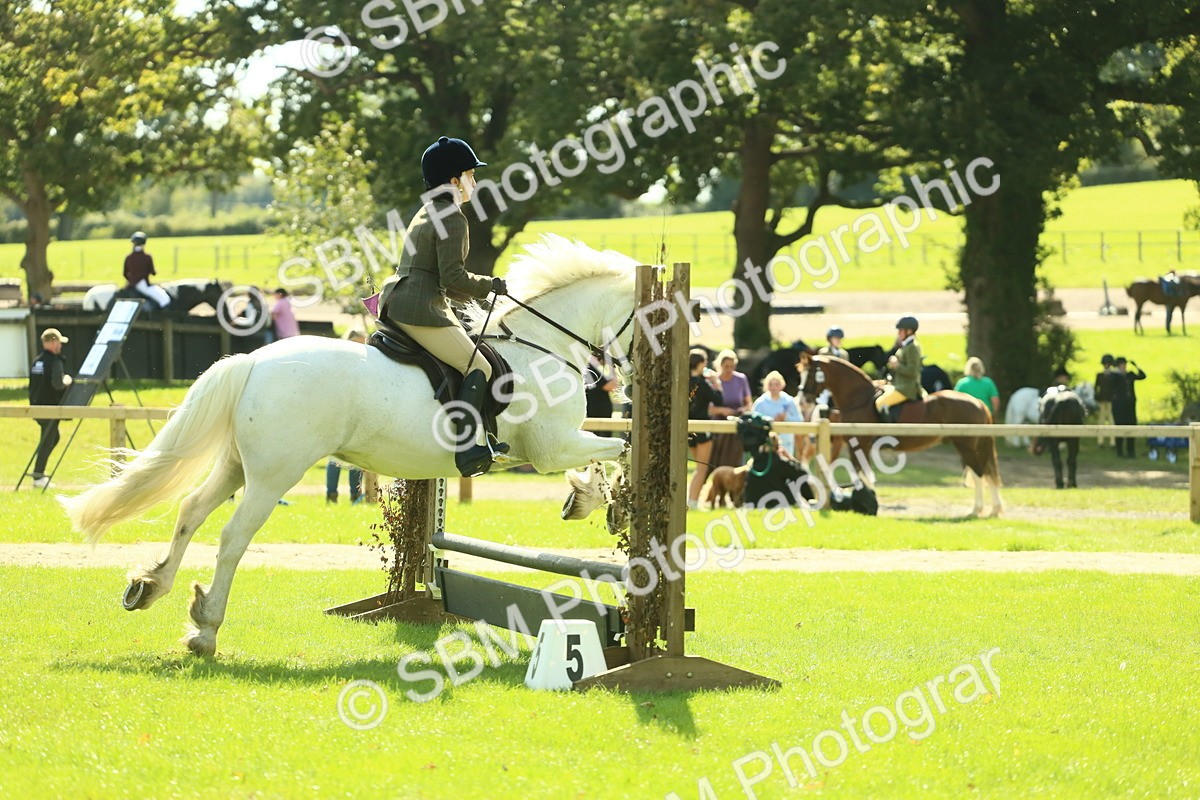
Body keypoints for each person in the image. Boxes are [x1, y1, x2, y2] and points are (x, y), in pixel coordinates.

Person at [378, 136, 507, 477]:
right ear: (453, 181)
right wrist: (490, 286)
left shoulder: (427, 210)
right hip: (420, 306)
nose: (474, 182)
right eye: (470, 175)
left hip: (399, 298)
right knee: (480, 366)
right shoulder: (452, 216)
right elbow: (453, 277)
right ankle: (467, 449)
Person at [28, 329, 73, 488]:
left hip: (36, 407)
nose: (60, 345)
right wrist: (67, 380)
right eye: (59, 342)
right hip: (50, 408)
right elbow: (58, 384)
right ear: (53, 342)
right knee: (49, 440)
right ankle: (38, 477)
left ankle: (38, 475)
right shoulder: (55, 361)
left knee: (52, 438)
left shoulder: (36, 361)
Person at [687, 348, 724, 509]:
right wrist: (716, 382)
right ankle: (693, 501)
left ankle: (692, 499)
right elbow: (719, 400)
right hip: (702, 426)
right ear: (701, 364)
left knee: (697, 467)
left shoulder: (684, 380)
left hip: (687, 428)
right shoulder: (701, 383)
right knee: (702, 468)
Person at [707, 349, 753, 469]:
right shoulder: (714, 380)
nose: (729, 369)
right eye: (726, 366)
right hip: (718, 427)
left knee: (737, 461)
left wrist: (744, 409)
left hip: (736, 425)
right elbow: (709, 408)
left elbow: (749, 403)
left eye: (731, 366)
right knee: (716, 462)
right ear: (720, 365)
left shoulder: (741, 379)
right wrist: (722, 410)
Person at [875, 315, 923, 421]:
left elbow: (912, 371)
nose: (898, 333)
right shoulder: (906, 345)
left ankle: (889, 434)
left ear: (909, 331)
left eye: (901, 330)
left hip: (906, 388)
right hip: (899, 384)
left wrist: (896, 365)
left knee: (880, 403)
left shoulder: (912, 347)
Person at [752, 370, 802, 455]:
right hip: (766, 442)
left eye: (776, 384)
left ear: (781, 385)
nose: (774, 387)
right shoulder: (760, 402)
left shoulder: (789, 401)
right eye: (771, 384)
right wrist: (772, 420)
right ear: (766, 386)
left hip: (786, 442)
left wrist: (786, 418)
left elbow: (799, 420)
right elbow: (753, 420)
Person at [1111, 356, 1147, 458]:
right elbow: (1110, 380)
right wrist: (1115, 371)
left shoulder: (1130, 375)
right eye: (1122, 365)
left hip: (1130, 405)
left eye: (1125, 365)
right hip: (1119, 405)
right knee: (1120, 426)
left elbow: (1143, 376)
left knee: (1131, 425)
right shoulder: (1115, 376)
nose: (1124, 367)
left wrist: (1136, 367)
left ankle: (1131, 451)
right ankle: (1120, 451)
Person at [124, 231, 170, 309]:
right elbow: (153, 272)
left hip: (131, 285)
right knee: (165, 299)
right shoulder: (147, 257)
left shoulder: (128, 257)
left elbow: (125, 274)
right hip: (143, 284)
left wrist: (132, 280)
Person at [584, 356, 618, 437]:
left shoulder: (586, 367)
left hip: (592, 412)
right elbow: (611, 385)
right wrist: (611, 366)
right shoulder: (591, 368)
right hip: (599, 413)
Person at [1094, 354, 1117, 448]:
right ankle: (1100, 440)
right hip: (1102, 399)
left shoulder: (1114, 375)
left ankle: (1113, 440)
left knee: (1111, 420)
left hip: (1111, 400)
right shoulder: (1100, 375)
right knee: (1101, 420)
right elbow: (1096, 387)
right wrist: (1096, 396)